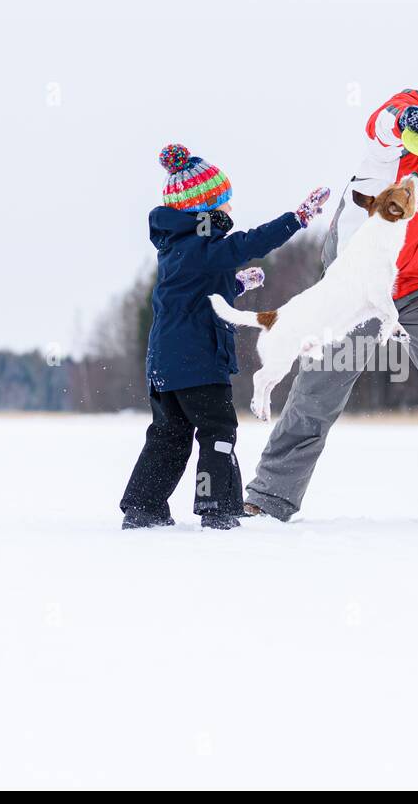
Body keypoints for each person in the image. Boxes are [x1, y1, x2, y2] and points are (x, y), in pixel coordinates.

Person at [245, 45, 418, 528]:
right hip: (360, 272)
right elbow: (380, 129)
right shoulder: (414, 115)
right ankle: (270, 494)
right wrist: (407, 121)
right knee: (325, 377)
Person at [119, 142, 329, 530]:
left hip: (166, 365)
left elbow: (196, 292)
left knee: (169, 434)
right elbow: (248, 243)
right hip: (198, 363)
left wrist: (234, 284)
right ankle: (216, 507)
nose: (231, 209)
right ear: (205, 208)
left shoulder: (178, 246)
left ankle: (143, 506)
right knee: (218, 431)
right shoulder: (203, 244)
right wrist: (296, 219)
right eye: (225, 201)